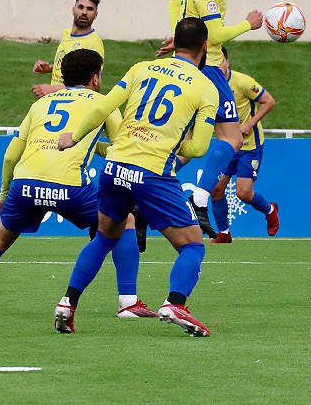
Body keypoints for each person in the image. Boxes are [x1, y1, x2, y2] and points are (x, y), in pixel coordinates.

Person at [0, 49, 155, 320]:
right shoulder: (103, 103)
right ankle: (127, 302)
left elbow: (10, 155)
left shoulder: (41, 104)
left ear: (63, 76)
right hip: (70, 187)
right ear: (95, 78)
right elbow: (122, 147)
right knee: (126, 223)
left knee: (0, 237)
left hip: (25, 184)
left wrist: (4, 193)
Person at [53, 17, 219, 337]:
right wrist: (167, 139)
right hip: (153, 172)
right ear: (204, 47)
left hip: (115, 166)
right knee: (193, 246)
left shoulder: (141, 67)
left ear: (173, 41)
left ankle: (67, 303)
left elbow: (102, 108)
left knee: (104, 237)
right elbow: (198, 147)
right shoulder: (205, 88)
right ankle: (175, 303)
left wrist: (74, 137)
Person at [0, 0, 105, 246]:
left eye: (90, 9)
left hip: (71, 111)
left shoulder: (92, 44)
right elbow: (70, 72)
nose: (84, 13)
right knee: (37, 159)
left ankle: (3, 223)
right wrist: (50, 69)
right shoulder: (68, 37)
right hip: (55, 107)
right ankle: (2, 222)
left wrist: (51, 89)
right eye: (81, 7)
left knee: (34, 159)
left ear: (96, 14)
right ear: (73, 8)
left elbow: (89, 84)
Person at [159, 0, 263, 237]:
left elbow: (175, 6)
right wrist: (249, 24)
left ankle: (152, 181)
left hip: (191, 65)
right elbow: (214, 35)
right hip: (210, 68)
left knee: (193, 140)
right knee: (232, 139)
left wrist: (180, 40)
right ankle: (200, 196)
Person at [209, 47, 279, 243]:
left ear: (228, 62)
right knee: (216, 189)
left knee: (243, 193)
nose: (218, 65)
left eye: (221, 61)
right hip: (227, 145)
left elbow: (269, 101)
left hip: (249, 146)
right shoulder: (207, 85)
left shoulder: (242, 82)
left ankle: (270, 210)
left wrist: (249, 123)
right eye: (214, 62)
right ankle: (224, 233)